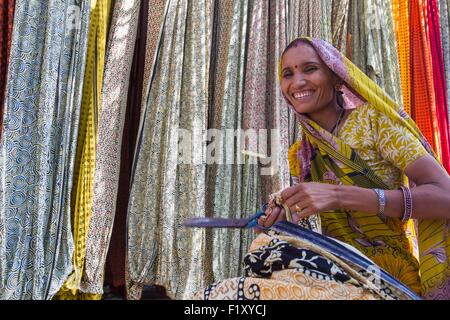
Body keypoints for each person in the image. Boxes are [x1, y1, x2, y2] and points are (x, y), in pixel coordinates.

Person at [193, 37, 450, 300]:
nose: (298, 82)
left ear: (337, 78)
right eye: (287, 74)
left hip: (387, 281)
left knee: (226, 296)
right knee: (243, 271)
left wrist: (337, 195)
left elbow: (445, 196)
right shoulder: (302, 152)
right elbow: (320, 235)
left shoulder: (374, 123)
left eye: (310, 69)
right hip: (335, 273)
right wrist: (281, 221)